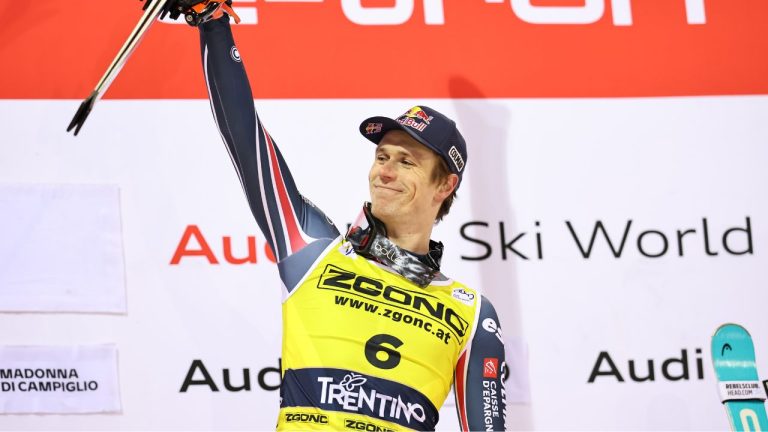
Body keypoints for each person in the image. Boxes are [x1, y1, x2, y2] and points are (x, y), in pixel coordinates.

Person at [193, 5, 507, 431]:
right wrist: (213, 23)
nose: (385, 172)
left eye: (406, 162)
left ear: (444, 186)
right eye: (382, 157)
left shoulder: (472, 314)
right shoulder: (313, 251)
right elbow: (248, 142)